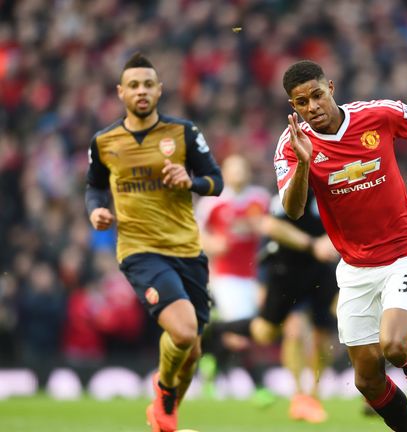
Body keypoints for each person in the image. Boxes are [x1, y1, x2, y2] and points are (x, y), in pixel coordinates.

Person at [275, 60, 407, 431]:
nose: (312, 107)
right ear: (294, 106)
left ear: (331, 87)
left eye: (317, 95)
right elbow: (293, 208)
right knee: (366, 381)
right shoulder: (293, 144)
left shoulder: (376, 115)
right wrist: (304, 164)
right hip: (355, 268)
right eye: (301, 102)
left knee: (394, 346)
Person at [85, 52, 223, 432]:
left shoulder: (183, 133)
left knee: (192, 350)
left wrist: (191, 181)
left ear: (159, 90)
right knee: (182, 331)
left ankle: (164, 419)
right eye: (134, 85)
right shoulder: (105, 141)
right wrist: (96, 212)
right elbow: (94, 188)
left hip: (187, 250)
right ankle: (163, 395)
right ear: (121, 92)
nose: (141, 91)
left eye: (148, 84)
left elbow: (216, 180)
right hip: (140, 250)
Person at [198, 154, 339, 423]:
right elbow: (269, 226)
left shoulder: (259, 197)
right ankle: (221, 343)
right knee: (273, 332)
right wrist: (211, 245)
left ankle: (310, 396)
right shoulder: (219, 202)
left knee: (324, 336)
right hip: (269, 273)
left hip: (312, 271)